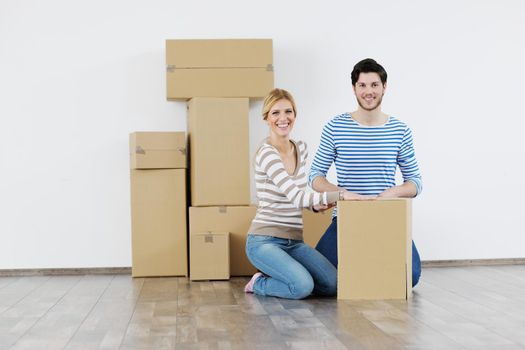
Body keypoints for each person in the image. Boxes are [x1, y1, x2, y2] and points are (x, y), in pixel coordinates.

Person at [309, 58, 423, 287]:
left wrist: (392, 193)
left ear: (384, 87)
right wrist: (343, 194)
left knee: (410, 277)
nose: (368, 91)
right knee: (322, 282)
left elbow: (415, 183)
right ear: (354, 88)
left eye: (374, 85)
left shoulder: (400, 130)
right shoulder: (335, 127)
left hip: (386, 218)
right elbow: (315, 177)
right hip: (345, 218)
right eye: (362, 85)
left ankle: (367, 273)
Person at [244, 88, 356, 299]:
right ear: (266, 118)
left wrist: (314, 205)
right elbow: (297, 197)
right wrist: (340, 195)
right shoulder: (267, 153)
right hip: (264, 241)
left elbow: (300, 193)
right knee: (302, 287)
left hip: (294, 241)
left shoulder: (301, 148)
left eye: (288, 111)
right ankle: (259, 283)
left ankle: (284, 272)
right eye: (275, 113)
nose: (283, 118)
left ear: (295, 115)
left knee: (332, 284)